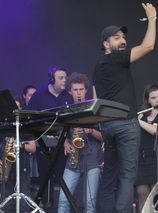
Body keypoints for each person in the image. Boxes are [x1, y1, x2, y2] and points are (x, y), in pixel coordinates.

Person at [91, 3, 156, 212]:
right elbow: (148, 46)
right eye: (117, 37)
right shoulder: (117, 58)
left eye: (123, 37)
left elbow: (95, 99)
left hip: (108, 126)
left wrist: (101, 125)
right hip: (126, 124)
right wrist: (152, 19)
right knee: (128, 175)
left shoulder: (98, 67)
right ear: (106, 44)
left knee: (109, 174)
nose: (123, 40)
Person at [57, 72, 103, 213]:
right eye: (75, 90)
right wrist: (65, 143)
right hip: (73, 159)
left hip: (92, 159)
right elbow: (60, 132)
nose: (79, 93)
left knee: (90, 204)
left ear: (86, 90)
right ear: (70, 91)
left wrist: (90, 131)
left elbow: (105, 137)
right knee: (63, 201)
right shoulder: (67, 110)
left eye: (81, 89)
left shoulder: (95, 109)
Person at [27, 66, 73, 206]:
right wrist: (31, 140)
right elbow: (29, 118)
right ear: (52, 79)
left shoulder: (68, 97)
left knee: (60, 179)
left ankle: (60, 207)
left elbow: (69, 122)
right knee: (44, 178)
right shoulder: (39, 95)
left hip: (62, 144)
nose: (65, 80)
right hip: (42, 144)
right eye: (61, 78)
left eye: (66, 78)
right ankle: (44, 207)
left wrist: (67, 141)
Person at [0, 97, 36, 212]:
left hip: (22, 169)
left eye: (17, 107)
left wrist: (19, 144)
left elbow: (33, 148)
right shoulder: (2, 126)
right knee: (6, 205)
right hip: (6, 170)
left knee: (23, 205)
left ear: (21, 108)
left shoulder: (26, 126)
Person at [135, 83, 158, 212]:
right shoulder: (142, 114)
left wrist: (138, 121)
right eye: (153, 97)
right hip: (143, 157)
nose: (157, 100)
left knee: (157, 195)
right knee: (142, 193)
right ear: (147, 100)